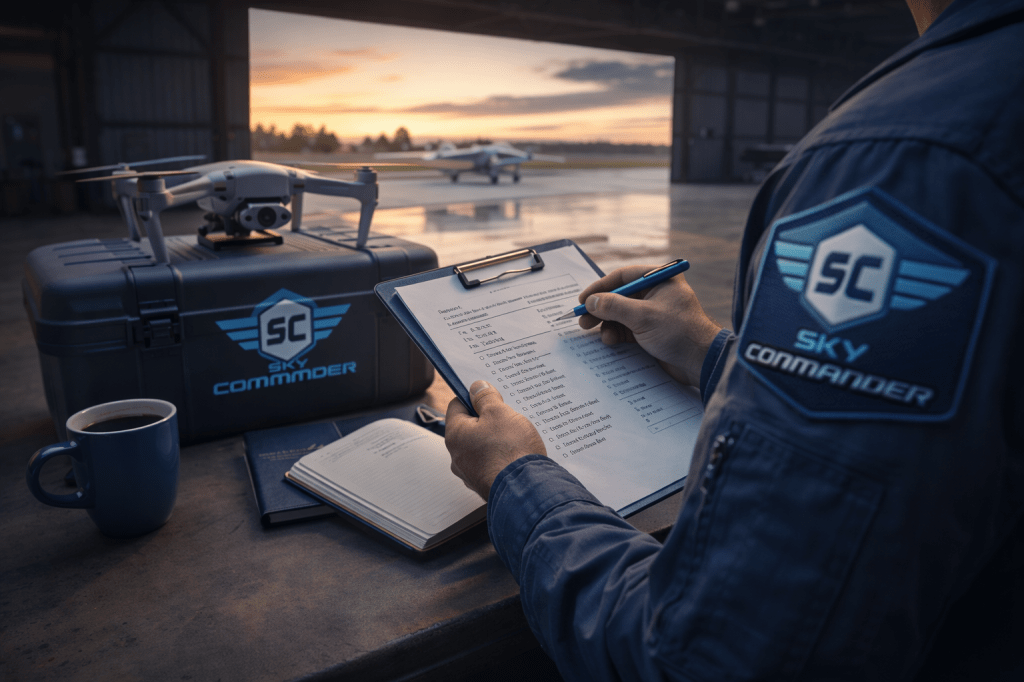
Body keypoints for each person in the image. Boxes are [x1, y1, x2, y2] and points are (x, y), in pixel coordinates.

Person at [444, 0, 1024, 679]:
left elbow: (710, 657)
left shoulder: (902, 161)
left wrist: (518, 482)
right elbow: (962, 423)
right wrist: (710, 351)